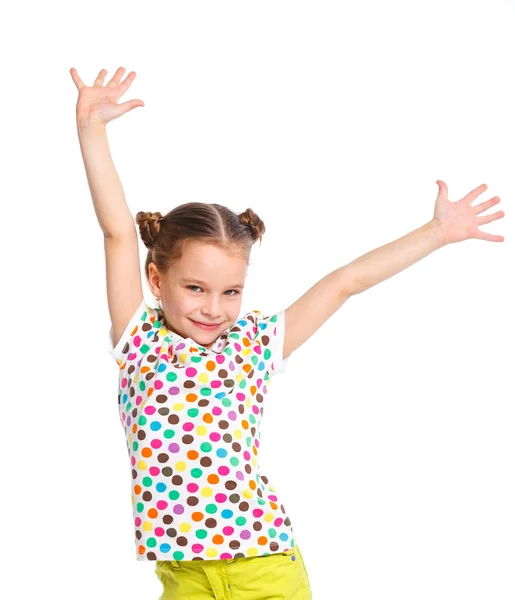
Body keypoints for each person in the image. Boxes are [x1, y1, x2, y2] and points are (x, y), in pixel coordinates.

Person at [70, 66, 505, 600]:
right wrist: (91, 129)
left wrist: (436, 233)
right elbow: (117, 233)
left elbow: (345, 282)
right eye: (195, 288)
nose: (213, 308)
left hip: (266, 566)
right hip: (183, 577)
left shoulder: (253, 344)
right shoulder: (140, 343)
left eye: (230, 291)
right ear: (156, 280)